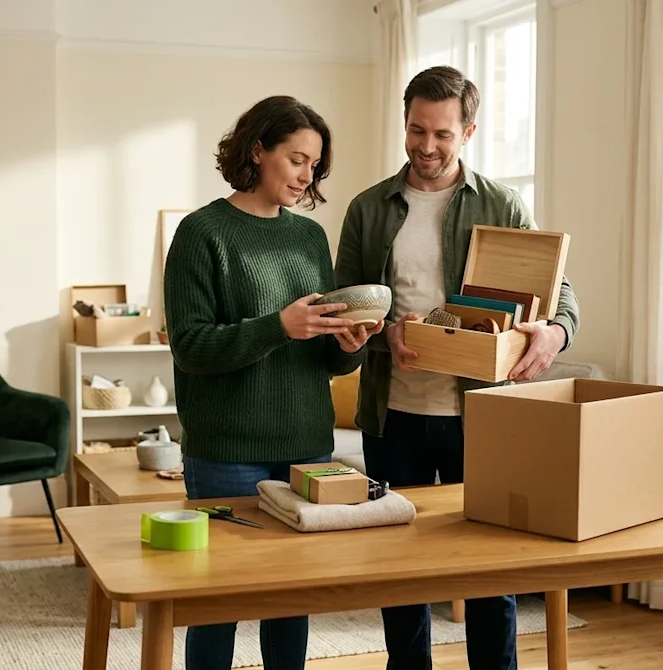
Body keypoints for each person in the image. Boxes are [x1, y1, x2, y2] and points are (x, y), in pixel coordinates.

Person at [334, 65, 581, 670]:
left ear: (468, 132)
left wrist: (554, 332)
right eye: (416, 130)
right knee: (400, 569)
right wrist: (382, 334)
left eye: (442, 134)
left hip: (484, 417)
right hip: (393, 416)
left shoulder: (501, 203)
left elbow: (559, 290)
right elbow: (345, 306)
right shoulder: (368, 209)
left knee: (490, 569)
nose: (426, 146)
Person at [162, 95, 384, 670]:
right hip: (225, 452)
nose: (307, 176)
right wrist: (277, 326)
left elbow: (325, 359)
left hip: (306, 447)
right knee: (218, 602)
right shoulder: (201, 233)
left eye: (315, 165)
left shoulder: (309, 237)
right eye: (297, 159)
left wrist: (349, 347)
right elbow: (190, 346)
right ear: (258, 150)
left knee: (291, 601)